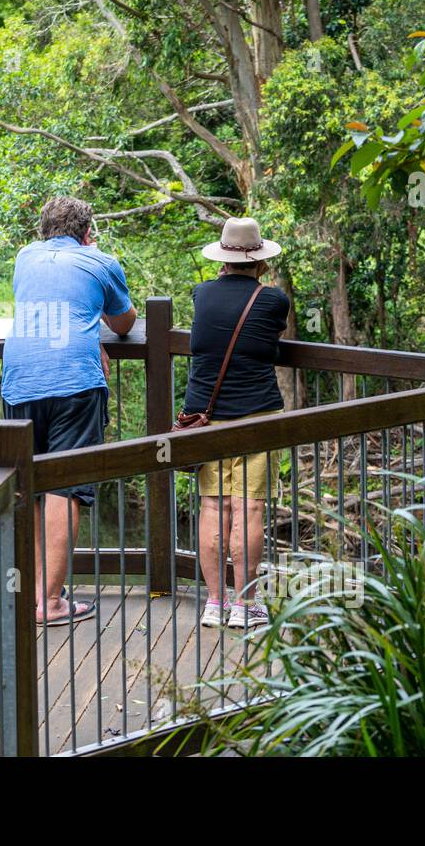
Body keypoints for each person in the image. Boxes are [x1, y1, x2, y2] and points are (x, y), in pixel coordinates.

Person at [1, 196, 136, 625]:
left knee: (32, 486)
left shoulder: (24, 257)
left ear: (43, 229)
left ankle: (31, 595)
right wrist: (94, 332)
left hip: (21, 378)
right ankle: (51, 602)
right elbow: (125, 322)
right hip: (74, 382)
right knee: (67, 488)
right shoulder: (100, 261)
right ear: (86, 232)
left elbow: (51, 305)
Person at [184, 217, 290, 629]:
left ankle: (214, 603)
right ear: (260, 262)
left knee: (213, 505)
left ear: (223, 259)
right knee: (248, 508)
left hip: (204, 417)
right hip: (255, 416)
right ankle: (244, 607)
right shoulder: (273, 300)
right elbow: (268, 341)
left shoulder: (201, 294)